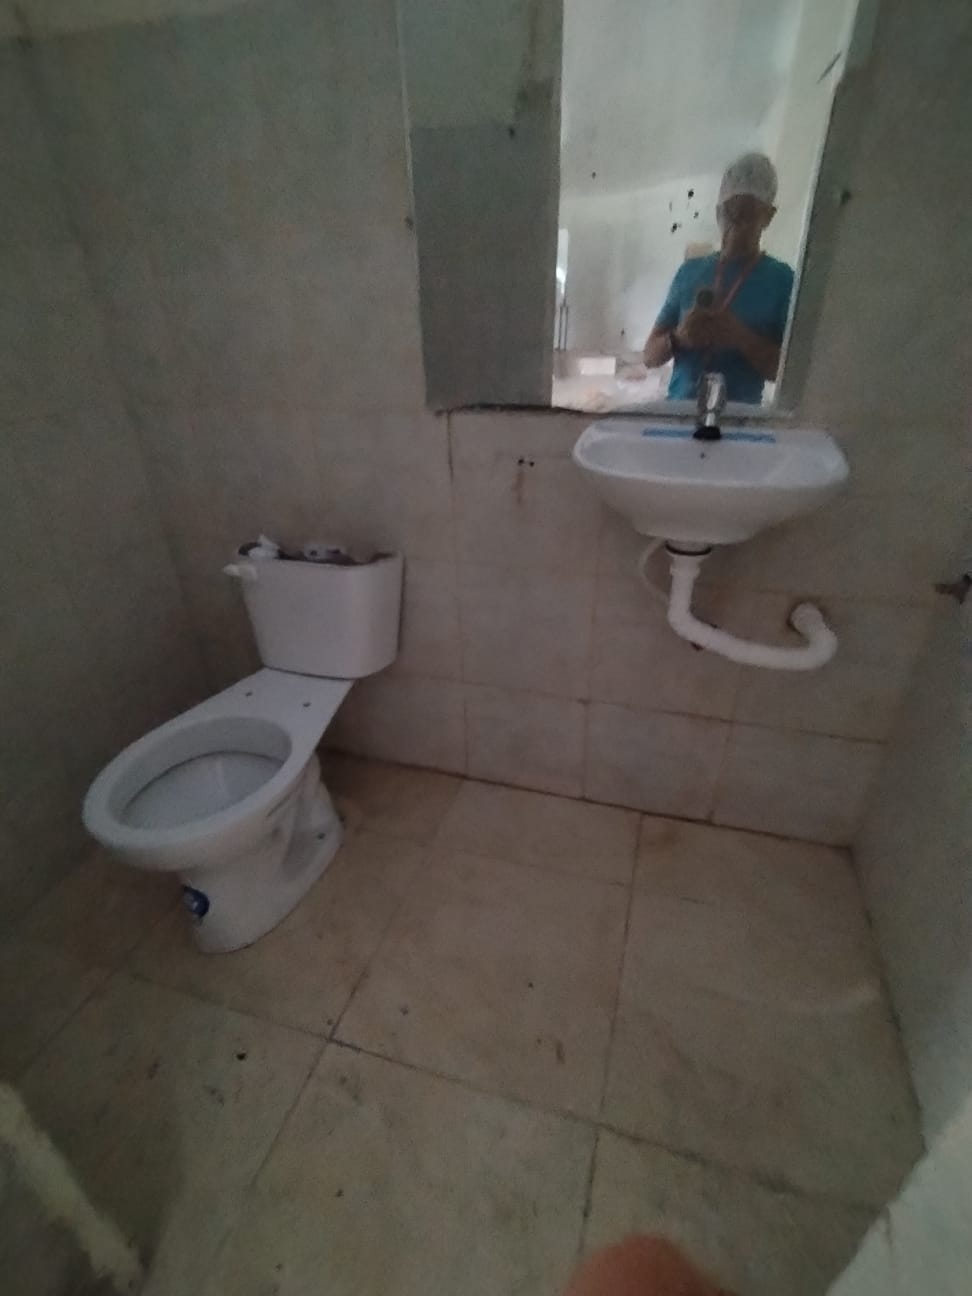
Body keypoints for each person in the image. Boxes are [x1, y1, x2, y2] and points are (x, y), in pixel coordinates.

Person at [643, 153, 794, 404]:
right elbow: (649, 357)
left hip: (739, 418)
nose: (735, 225)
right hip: (679, 413)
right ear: (717, 214)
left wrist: (739, 337)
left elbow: (787, 373)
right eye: (728, 213)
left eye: (746, 214)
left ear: (768, 216)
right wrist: (678, 338)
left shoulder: (781, 280)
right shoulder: (689, 272)